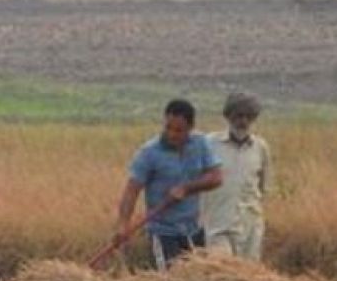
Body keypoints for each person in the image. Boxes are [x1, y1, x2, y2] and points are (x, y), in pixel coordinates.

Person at [115, 99, 223, 271]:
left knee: (199, 278)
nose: (172, 134)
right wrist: (123, 225)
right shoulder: (149, 153)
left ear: (190, 128)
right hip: (163, 231)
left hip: (192, 228)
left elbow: (216, 178)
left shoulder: (201, 143)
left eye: (179, 130)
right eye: (168, 128)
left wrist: (187, 188)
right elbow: (131, 190)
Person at [201, 92, 273, 261]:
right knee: (220, 271)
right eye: (239, 116)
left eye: (249, 116)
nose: (243, 121)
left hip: (250, 227)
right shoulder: (209, 144)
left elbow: (263, 187)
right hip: (218, 225)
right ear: (229, 116)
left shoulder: (260, 148)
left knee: (248, 276)